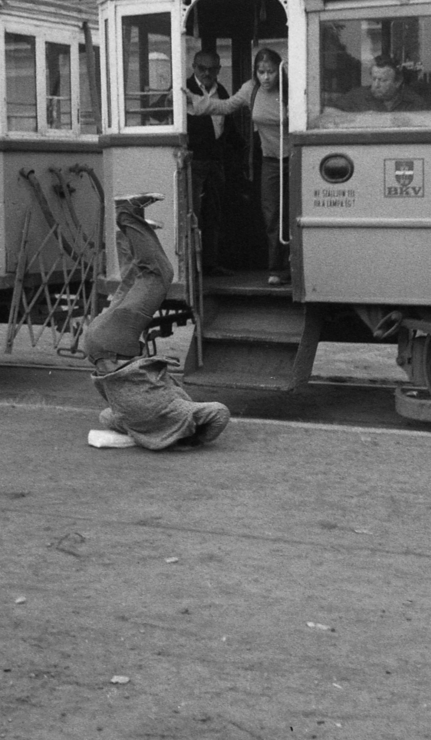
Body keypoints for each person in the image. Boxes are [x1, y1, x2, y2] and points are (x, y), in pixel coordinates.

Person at [80, 192, 231, 450]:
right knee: (131, 282)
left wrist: (195, 438)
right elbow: (105, 416)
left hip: (115, 342)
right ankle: (132, 230)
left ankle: (127, 213)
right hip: (97, 348)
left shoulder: (181, 413)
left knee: (159, 274)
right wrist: (138, 433)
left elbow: (220, 412)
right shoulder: (132, 423)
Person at [186, 47, 291, 285]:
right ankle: (276, 268)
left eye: (271, 72)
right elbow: (223, 107)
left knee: (293, 213)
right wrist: (192, 100)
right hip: (270, 160)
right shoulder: (250, 89)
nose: (266, 77)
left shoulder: (291, 89)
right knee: (271, 213)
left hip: (296, 158)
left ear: (279, 71)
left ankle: (296, 265)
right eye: (261, 72)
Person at [184, 50, 239, 276]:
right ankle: (190, 267)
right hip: (194, 161)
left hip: (215, 161)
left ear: (218, 70)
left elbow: (229, 127)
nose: (206, 73)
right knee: (192, 213)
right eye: (201, 68)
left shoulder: (222, 91)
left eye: (211, 69)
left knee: (214, 212)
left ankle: (210, 263)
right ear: (193, 67)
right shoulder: (183, 89)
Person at [331, 55, 429, 113]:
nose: (376, 85)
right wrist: (358, 118)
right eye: (374, 79)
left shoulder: (414, 103)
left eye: (383, 80)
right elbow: (329, 113)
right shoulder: (357, 97)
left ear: (397, 82)